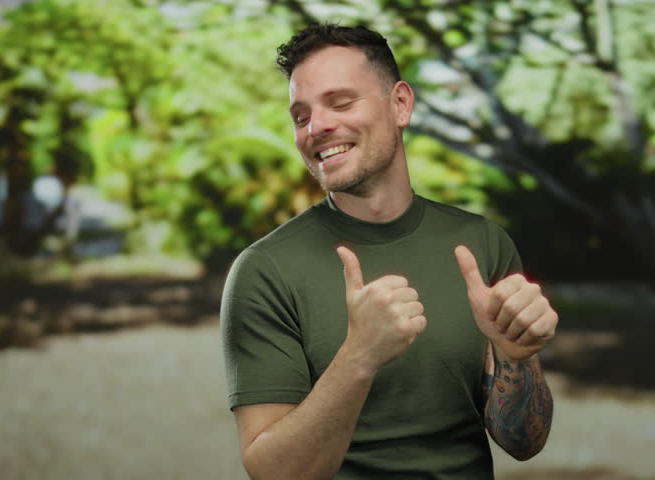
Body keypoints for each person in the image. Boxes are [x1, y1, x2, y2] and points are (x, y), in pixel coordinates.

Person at [220, 23, 558, 480]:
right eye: (301, 116)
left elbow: (524, 442)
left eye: (340, 103)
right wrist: (359, 356)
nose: (316, 127)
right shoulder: (265, 271)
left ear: (401, 104)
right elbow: (276, 473)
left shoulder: (482, 245)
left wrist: (516, 358)